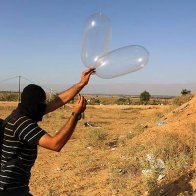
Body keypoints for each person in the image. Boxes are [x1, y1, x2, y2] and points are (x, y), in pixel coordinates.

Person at [0, 68, 95, 196]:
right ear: (36, 105)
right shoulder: (22, 123)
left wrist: (81, 83)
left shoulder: (20, 113)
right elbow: (55, 144)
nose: (44, 107)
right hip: (10, 190)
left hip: (13, 187)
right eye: (42, 104)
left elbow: (57, 101)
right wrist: (76, 114)